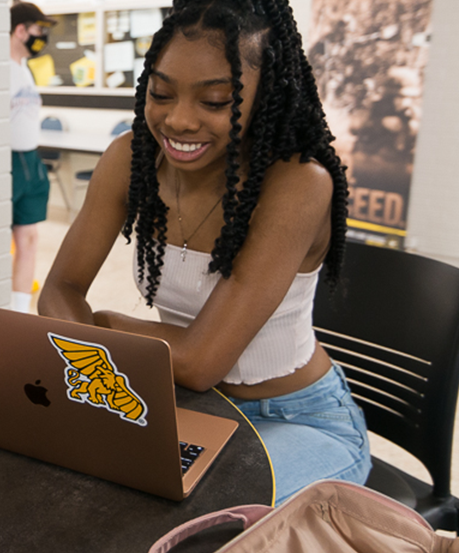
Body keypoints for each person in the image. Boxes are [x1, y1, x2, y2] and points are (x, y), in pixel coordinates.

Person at [37, 0, 368, 502]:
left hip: (301, 420)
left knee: (192, 513)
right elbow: (59, 288)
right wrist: (100, 355)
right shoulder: (129, 159)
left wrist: (104, 327)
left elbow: (199, 361)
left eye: (215, 102)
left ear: (266, 95)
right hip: (190, 408)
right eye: (161, 93)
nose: (179, 120)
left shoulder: (298, 184)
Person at [7, 2, 54, 313]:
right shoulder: (0, 69)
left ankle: (20, 312)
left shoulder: (24, 68)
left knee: (30, 238)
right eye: (38, 30)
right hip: (7, 162)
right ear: (21, 30)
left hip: (31, 159)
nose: (42, 37)